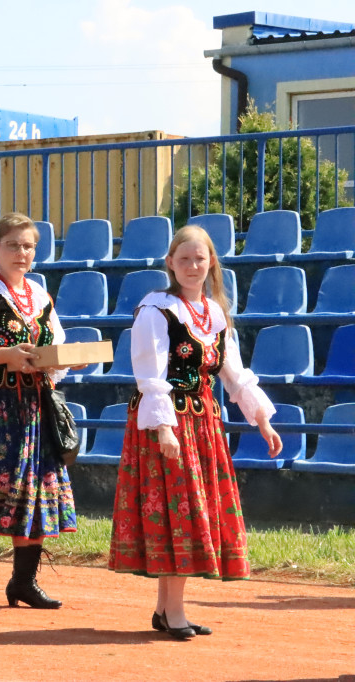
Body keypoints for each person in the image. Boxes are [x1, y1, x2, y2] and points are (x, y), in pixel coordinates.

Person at [108, 225, 283, 640]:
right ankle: (174, 612)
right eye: (183, 259)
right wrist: (165, 428)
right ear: (170, 263)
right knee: (179, 512)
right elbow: (149, 374)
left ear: (211, 263)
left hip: (203, 422)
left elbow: (233, 373)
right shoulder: (157, 309)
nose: (192, 266)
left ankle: (166, 610)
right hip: (166, 421)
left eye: (199, 259)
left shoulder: (215, 313)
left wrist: (261, 417)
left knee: (185, 510)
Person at [0, 212, 77, 609]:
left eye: (28, 246)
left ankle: (23, 582)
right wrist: (8, 355)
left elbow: (55, 347)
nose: (21, 253)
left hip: (35, 406)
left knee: (35, 493)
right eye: (13, 245)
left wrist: (67, 359)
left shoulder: (40, 295)